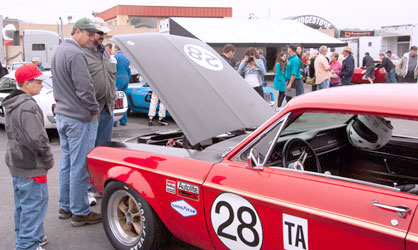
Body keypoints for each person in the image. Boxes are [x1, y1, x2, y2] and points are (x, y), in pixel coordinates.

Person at [51, 17, 102, 226]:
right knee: (80, 166)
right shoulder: (75, 53)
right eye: (89, 35)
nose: (92, 39)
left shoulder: (59, 50)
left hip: (63, 115)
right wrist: (93, 109)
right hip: (78, 118)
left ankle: (65, 206)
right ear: (77, 32)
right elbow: (84, 87)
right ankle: (79, 211)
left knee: (67, 164)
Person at [2, 64, 53, 250]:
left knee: (23, 206)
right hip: (31, 164)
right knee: (34, 207)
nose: (41, 85)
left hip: (17, 161)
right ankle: (27, 245)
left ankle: (33, 237)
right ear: (26, 83)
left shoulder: (13, 102)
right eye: (38, 81)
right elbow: (38, 139)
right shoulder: (28, 105)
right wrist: (48, 159)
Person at [82, 19, 116, 204]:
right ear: (90, 33)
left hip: (107, 109)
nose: (102, 36)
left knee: (103, 151)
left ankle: (98, 186)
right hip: (90, 111)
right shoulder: (81, 54)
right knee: (88, 151)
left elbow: (111, 78)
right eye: (99, 33)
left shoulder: (106, 54)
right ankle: (87, 188)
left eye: (104, 33)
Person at [113, 45, 131, 126]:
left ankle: (115, 121)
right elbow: (129, 71)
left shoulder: (115, 57)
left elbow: (112, 69)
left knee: (116, 99)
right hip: (126, 79)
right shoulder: (127, 58)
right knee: (124, 99)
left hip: (118, 79)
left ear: (116, 49)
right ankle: (124, 121)